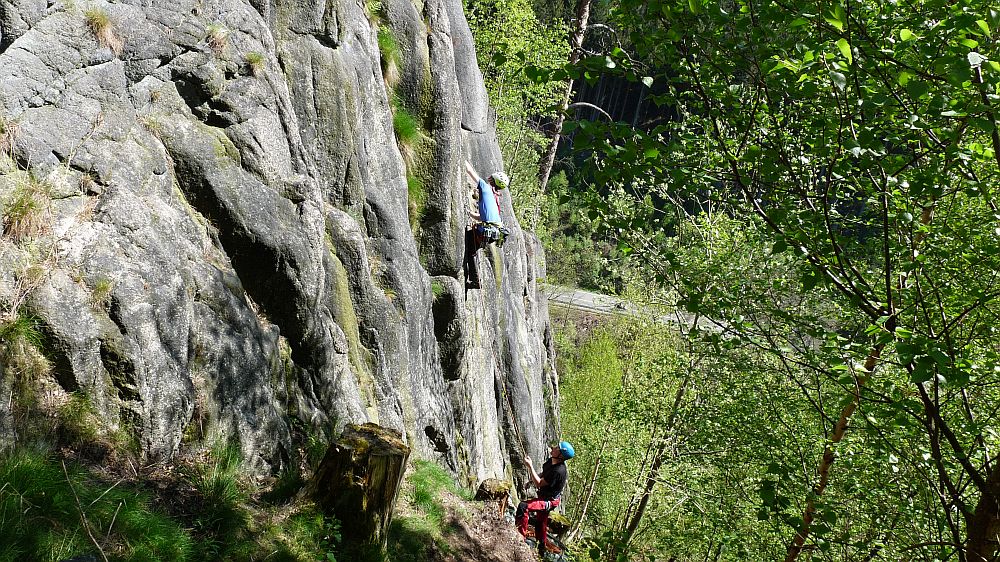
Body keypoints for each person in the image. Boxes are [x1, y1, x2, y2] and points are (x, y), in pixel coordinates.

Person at [516, 441, 575, 555]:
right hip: (545, 496)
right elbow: (544, 474)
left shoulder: (559, 471)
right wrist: (531, 480)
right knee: (540, 523)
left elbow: (539, 483)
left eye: (557, 448)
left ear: (561, 455)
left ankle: (519, 539)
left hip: (549, 501)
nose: (553, 448)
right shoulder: (551, 461)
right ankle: (541, 549)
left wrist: (530, 466)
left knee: (523, 507)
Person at [463, 161, 510, 289]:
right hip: (494, 232)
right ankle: (475, 279)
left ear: (492, 180)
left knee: (468, 245)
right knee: (472, 249)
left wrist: (463, 159)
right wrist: (470, 213)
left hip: (486, 230)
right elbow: (484, 216)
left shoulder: (484, 187)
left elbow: (470, 171)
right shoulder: (495, 199)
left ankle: (475, 280)